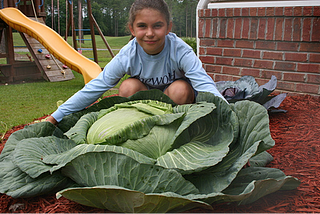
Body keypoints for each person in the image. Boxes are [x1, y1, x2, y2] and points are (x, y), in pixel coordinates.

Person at [46, 0, 226, 125]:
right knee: (127, 87)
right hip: (146, 103)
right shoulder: (128, 55)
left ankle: (178, 132)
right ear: (132, 29)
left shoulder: (180, 50)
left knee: (180, 89)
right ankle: (139, 128)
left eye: (157, 25)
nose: (149, 33)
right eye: (142, 26)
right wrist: (56, 117)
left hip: (177, 104)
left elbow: (204, 84)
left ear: (169, 27)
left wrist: (231, 120)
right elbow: (96, 86)